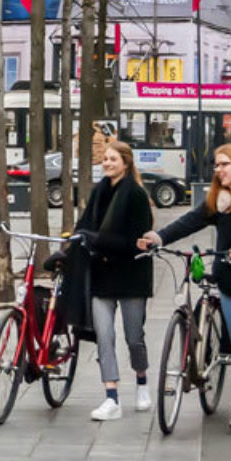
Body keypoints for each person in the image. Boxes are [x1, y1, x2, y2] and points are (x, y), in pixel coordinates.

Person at [140, 143, 231, 433]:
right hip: (229, 284)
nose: (218, 170)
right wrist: (159, 237)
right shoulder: (218, 200)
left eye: (224, 165)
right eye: (216, 165)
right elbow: (189, 222)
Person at [77, 141, 155, 421]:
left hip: (131, 274)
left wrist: (100, 241)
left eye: (113, 159)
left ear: (126, 162)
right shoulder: (98, 191)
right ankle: (111, 397)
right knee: (104, 337)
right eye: (105, 159)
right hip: (102, 275)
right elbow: (83, 226)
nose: (107, 163)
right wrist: (70, 248)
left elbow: (137, 242)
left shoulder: (135, 195)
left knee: (134, 337)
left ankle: (142, 380)